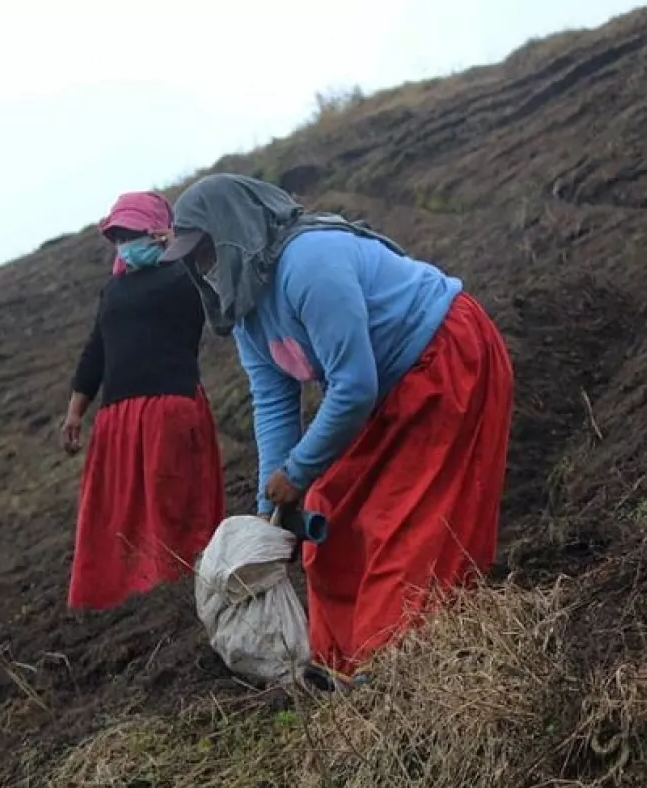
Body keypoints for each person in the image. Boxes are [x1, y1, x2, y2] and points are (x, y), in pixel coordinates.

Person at [156, 173, 514, 686]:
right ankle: (341, 668)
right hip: (380, 393)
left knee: (407, 526)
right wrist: (270, 509)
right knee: (329, 522)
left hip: (442, 361)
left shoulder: (310, 262)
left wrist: (298, 469)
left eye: (207, 253)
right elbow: (274, 402)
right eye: (195, 261)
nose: (204, 270)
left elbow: (353, 384)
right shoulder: (248, 311)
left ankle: (399, 675)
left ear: (234, 233)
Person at [60, 190, 227, 611]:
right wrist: (76, 411)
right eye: (117, 236)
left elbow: (222, 288)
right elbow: (95, 351)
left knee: (170, 502)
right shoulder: (113, 291)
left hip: (169, 409)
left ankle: (178, 588)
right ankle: (118, 595)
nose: (125, 243)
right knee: (116, 512)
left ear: (157, 231)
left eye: (133, 232)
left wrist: (182, 246)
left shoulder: (187, 277)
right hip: (118, 418)